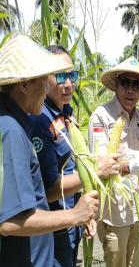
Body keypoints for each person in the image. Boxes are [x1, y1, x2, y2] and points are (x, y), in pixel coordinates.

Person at [0, 34, 99, 266]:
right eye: (43, 80)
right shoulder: (11, 131)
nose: (47, 89)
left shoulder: (15, 123)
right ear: (24, 85)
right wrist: (75, 215)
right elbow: (11, 221)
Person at [29, 45, 118, 267]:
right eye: (60, 76)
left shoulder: (68, 115)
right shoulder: (41, 121)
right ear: (44, 78)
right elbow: (48, 190)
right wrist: (96, 171)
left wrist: (84, 212)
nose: (68, 84)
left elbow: (71, 168)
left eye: (72, 75)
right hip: (54, 227)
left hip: (73, 220)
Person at [88, 57, 139, 267]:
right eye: (125, 83)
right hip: (114, 211)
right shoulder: (101, 116)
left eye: (136, 84)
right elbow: (100, 163)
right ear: (117, 85)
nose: (130, 90)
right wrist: (129, 167)